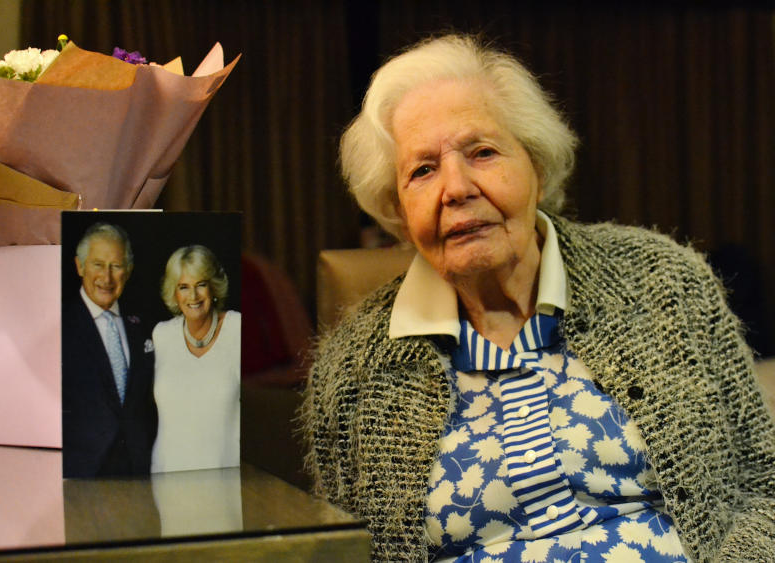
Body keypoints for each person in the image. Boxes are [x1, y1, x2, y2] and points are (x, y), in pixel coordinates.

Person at [301, 34, 775, 562]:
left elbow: (764, 485)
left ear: (539, 168)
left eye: (482, 152)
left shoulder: (661, 282)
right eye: (422, 170)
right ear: (397, 211)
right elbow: (344, 552)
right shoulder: (353, 368)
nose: (455, 188)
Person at [62, 222, 156, 478]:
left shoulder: (143, 326)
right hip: (79, 477)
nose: (107, 277)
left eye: (116, 266)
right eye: (98, 265)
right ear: (80, 266)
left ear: (128, 270)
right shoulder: (59, 325)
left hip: (139, 474)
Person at [150, 245, 241, 473]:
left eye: (201, 285)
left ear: (214, 287)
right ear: (174, 292)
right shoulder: (161, 335)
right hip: (168, 478)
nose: (193, 296)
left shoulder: (237, 328)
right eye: (183, 287)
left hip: (226, 480)